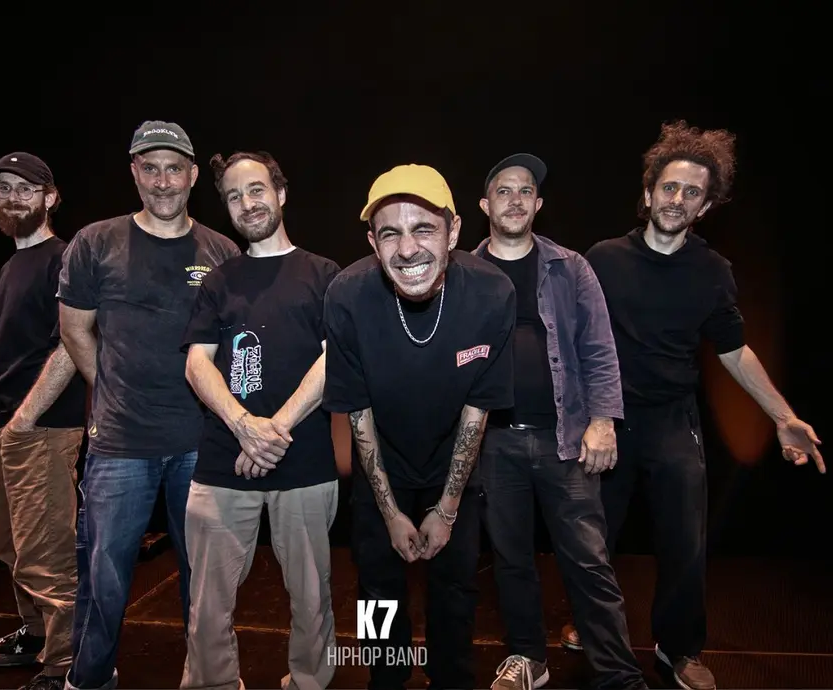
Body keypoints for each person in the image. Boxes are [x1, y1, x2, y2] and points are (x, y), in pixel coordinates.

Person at [563, 120, 825, 690]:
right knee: (592, 537)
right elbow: (572, 341)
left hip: (671, 420)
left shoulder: (711, 271)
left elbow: (734, 351)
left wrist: (783, 417)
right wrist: (579, 418)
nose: (677, 199)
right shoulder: (603, 259)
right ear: (649, 191)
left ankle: (679, 649)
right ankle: (591, 623)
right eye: (670, 187)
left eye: (692, 192)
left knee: (684, 540)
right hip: (607, 418)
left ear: (704, 206)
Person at [56, 121, 240, 690]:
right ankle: (89, 679)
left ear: (192, 176)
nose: (163, 181)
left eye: (174, 169)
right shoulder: (95, 242)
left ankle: (208, 676)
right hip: (119, 445)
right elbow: (74, 330)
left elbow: (236, 345)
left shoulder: (222, 251)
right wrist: (112, 388)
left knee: (205, 579)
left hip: (199, 444)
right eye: (151, 168)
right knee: (103, 579)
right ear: (134, 173)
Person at [322, 164, 516, 690]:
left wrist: (446, 509)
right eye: (391, 233)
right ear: (373, 242)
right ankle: (384, 678)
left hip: (455, 468)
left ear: (453, 231)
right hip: (379, 469)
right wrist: (390, 514)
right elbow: (356, 413)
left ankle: (452, 677)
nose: (408, 249)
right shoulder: (346, 295)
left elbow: (478, 411)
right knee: (375, 591)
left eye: (424, 228)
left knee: (456, 589)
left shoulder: (492, 293)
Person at [472, 154, 649, 690]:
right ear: (484, 205)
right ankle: (529, 659)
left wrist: (603, 419)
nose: (515, 200)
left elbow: (599, 347)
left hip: (565, 441)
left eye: (525, 191)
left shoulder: (570, 267)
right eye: (504, 191)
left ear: (539, 204)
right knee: (510, 559)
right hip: (491, 443)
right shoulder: (462, 271)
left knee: (589, 562)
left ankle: (618, 674)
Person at [180, 151, 341, 690]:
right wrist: (244, 426)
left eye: (256, 190)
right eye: (233, 196)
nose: (246, 203)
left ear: (281, 193)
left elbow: (334, 360)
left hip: (305, 461)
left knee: (312, 598)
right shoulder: (218, 281)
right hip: (224, 462)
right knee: (206, 604)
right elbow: (197, 364)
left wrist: (272, 432)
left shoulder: (324, 275)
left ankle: (309, 683)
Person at [0, 152, 88, 690]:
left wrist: (23, 418)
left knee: (47, 554)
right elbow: (9, 349)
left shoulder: (63, 260)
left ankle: (67, 662)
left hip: (42, 429)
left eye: (26, 188)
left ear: (51, 197)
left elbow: (72, 344)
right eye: (4, 188)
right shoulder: (10, 267)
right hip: (5, 428)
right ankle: (36, 633)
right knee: (14, 549)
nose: (13, 197)